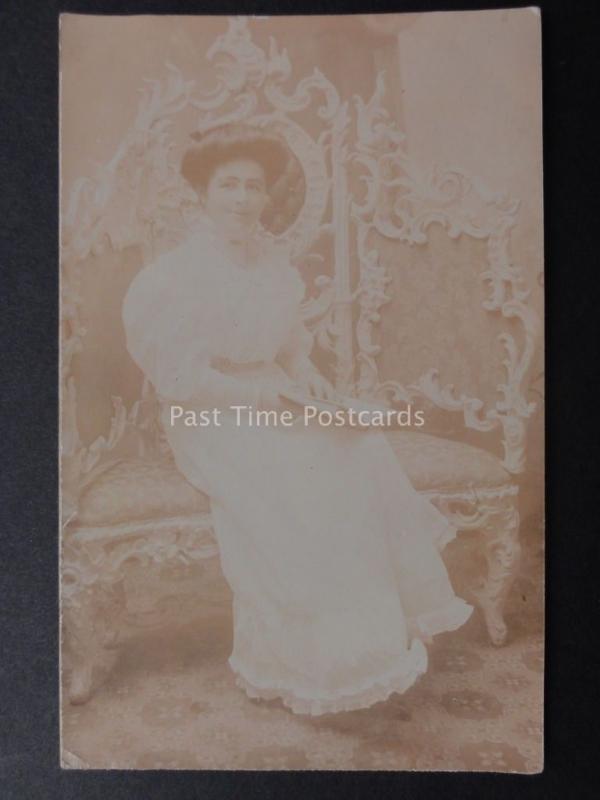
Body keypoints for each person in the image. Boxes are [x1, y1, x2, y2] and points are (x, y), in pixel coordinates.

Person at [122, 123, 472, 715]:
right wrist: (267, 400)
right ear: (202, 195)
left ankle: (371, 640)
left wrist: (304, 376)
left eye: (253, 187)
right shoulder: (173, 276)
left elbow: (288, 343)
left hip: (274, 395)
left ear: (266, 197)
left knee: (355, 446)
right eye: (227, 185)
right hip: (209, 411)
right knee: (303, 475)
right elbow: (181, 380)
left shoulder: (272, 264)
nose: (241, 199)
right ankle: (313, 657)